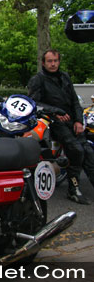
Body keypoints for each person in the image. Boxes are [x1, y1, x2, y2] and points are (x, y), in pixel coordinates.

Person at [28, 49, 94, 205]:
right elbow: (33, 103)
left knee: (88, 151)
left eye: (55, 61)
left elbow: (75, 102)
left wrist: (79, 121)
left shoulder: (65, 77)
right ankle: (73, 189)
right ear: (43, 63)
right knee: (76, 150)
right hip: (52, 121)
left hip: (71, 121)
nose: (53, 64)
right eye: (49, 61)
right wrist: (55, 111)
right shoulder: (38, 80)